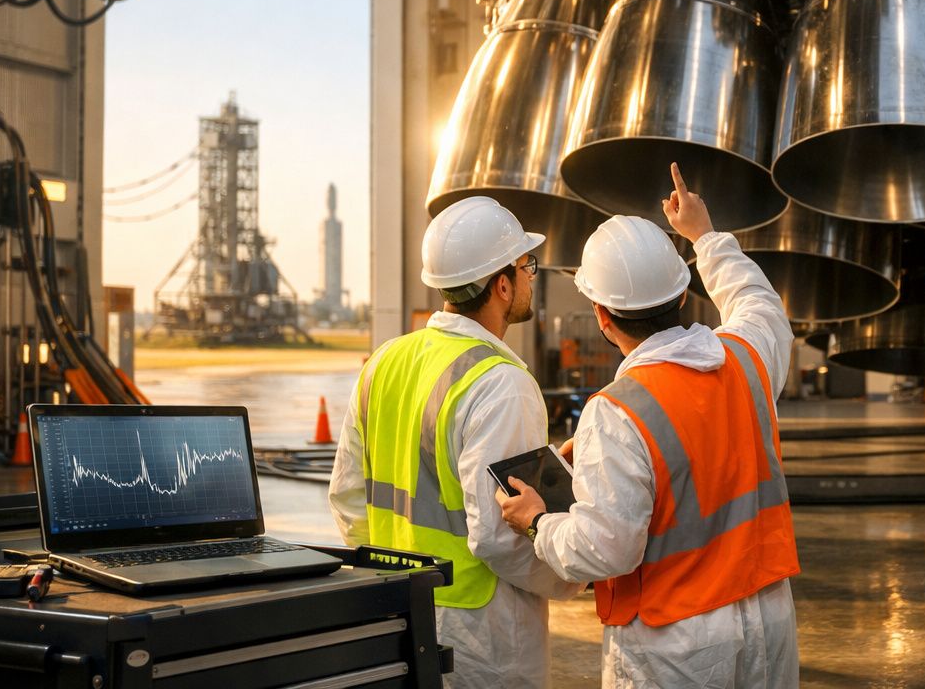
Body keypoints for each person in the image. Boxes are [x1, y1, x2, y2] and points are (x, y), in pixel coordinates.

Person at [499, 163, 800, 687]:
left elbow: (606, 548)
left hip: (676, 643)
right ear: (684, 295)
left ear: (601, 315)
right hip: (769, 619)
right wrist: (703, 235)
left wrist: (538, 522)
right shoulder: (749, 356)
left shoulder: (617, 412)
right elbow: (757, 300)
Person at [329, 196, 579, 689]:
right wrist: (574, 573)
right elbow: (497, 535)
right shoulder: (499, 381)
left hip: (399, 613)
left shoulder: (384, 361)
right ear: (502, 284)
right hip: (481, 630)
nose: (532, 275)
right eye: (527, 265)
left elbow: (347, 498)